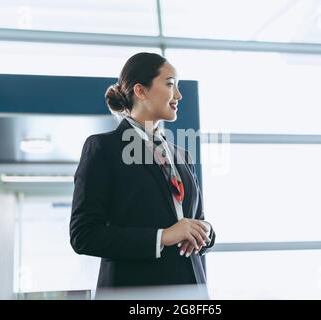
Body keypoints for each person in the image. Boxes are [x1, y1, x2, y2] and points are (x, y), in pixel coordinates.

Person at [70, 52, 216, 288]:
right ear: (141, 91)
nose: (178, 95)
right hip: (137, 292)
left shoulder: (182, 155)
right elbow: (84, 235)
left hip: (190, 293)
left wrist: (206, 231)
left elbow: (196, 221)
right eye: (170, 84)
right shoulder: (103, 148)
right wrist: (163, 236)